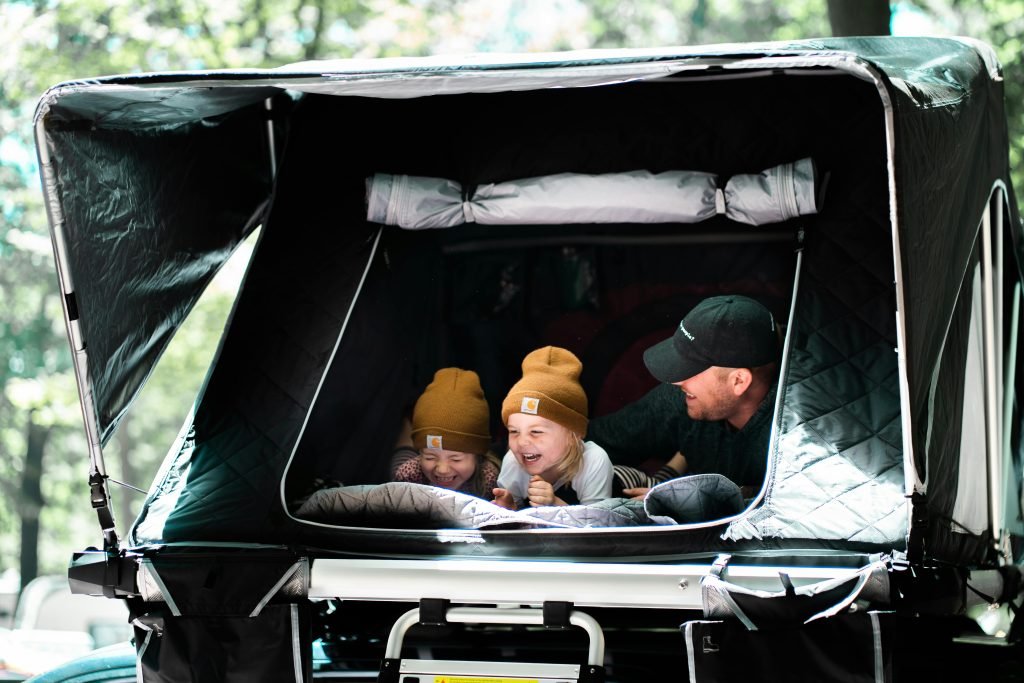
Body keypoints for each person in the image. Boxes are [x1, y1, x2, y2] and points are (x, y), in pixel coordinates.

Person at [588, 294, 779, 498]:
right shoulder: (682, 397)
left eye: (690, 368)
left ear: (739, 381)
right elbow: (603, 437)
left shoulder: (796, 434)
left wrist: (694, 501)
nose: (676, 381)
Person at [492, 346, 613, 509]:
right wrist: (510, 507)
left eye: (536, 432)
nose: (522, 442)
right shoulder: (513, 462)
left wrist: (554, 504)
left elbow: (599, 525)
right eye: (514, 431)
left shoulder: (593, 461)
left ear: (574, 434)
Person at [391, 367, 501, 499]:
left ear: (478, 456)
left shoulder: (488, 480)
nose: (442, 469)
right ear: (420, 453)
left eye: (455, 459)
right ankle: (407, 426)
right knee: (403, 452)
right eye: (430, 457)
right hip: (408, 466)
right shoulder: (408, 476)